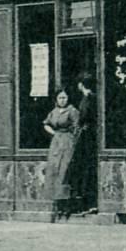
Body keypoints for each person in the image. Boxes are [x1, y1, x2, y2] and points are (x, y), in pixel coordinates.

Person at [41, 89, 79, 222]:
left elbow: (77, 127)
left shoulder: (72, 111)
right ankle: (55, 206)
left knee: (64, 171)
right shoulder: (54, 112)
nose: (63, 100)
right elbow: (46, 124)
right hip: (56, 142)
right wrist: (53, 133)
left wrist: (72, 140)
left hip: (68, 141)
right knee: (53, 170)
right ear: (56, 99)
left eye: (65, 97)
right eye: (60, 98)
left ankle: (66, 206)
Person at [65, 78, 99, 215]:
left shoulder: (88, 98)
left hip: (86, 138)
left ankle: (86, 202)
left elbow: (83, 117)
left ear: (80, 85)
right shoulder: (93, 97)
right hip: (89, 136)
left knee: (84, 168)